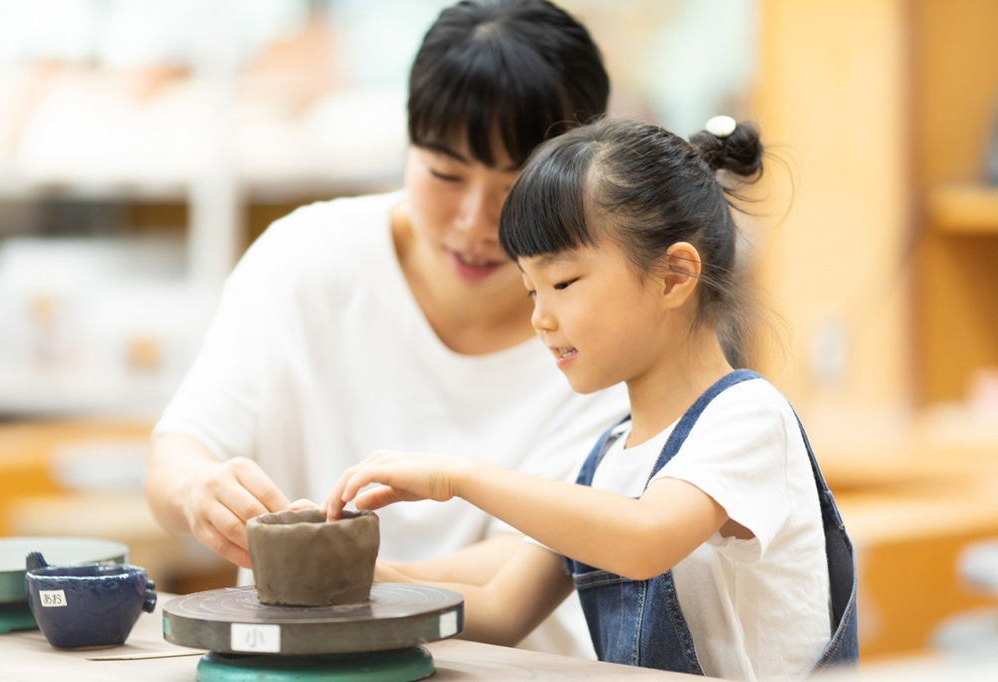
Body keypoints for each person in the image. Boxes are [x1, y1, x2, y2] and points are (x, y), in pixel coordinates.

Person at [144, 0, 627, 656]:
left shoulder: (610, 334)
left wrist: (327, 571)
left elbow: (528, 574)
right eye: (444, 175)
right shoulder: (304, 259)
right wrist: (198, 490)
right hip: (289, 667)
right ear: (407, 145)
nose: (474, 221)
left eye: (516, 188)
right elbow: (178, 455)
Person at [320, 117, 859, 680]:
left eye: (563, 283)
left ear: (675, 275)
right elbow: (502, 609)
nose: (539, 317)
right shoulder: (605, 460)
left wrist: (460, 477)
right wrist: (355, 572)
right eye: (530, 288)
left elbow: (646, 539)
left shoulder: (747, 416)